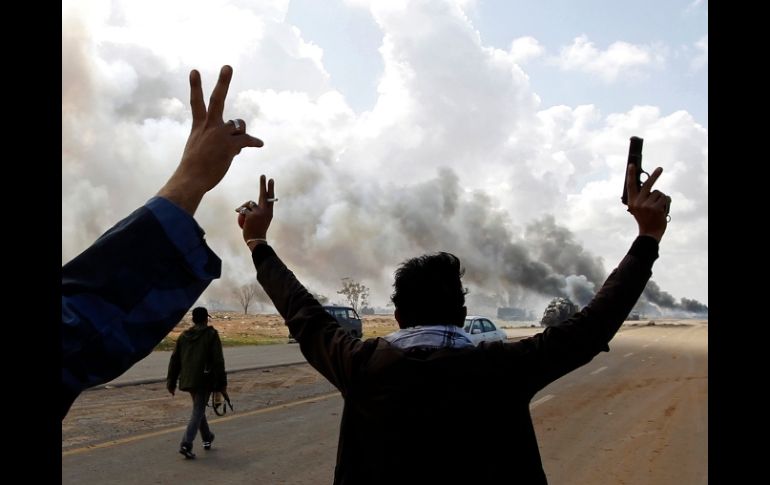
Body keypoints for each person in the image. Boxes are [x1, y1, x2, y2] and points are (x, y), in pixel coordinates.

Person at [237, 164, 670, 484]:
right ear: (462, 315)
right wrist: (647, 237)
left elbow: (301, 310)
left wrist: (258, 242)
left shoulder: (360, 364)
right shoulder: (504, 367)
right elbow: (594, 325)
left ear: (398, 315)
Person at [61, 65, 262, 420]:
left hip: (190, 384)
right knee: (198, 421)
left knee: (198, 421)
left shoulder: (193, 338)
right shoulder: (208, 337)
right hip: (198, 384)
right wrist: (192, 178)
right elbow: (80, 332)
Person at [166, 306, 227, 459]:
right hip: (204, 380)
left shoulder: (184, 336)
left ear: (193, 319)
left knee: (198, 409)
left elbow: (174, 361)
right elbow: (218, 361)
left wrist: (171, 383)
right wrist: (222, 383)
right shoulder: (211, 335)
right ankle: (186, 444)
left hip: (188, 380)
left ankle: (207, 437)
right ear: (206, 318)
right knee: (198, 410)